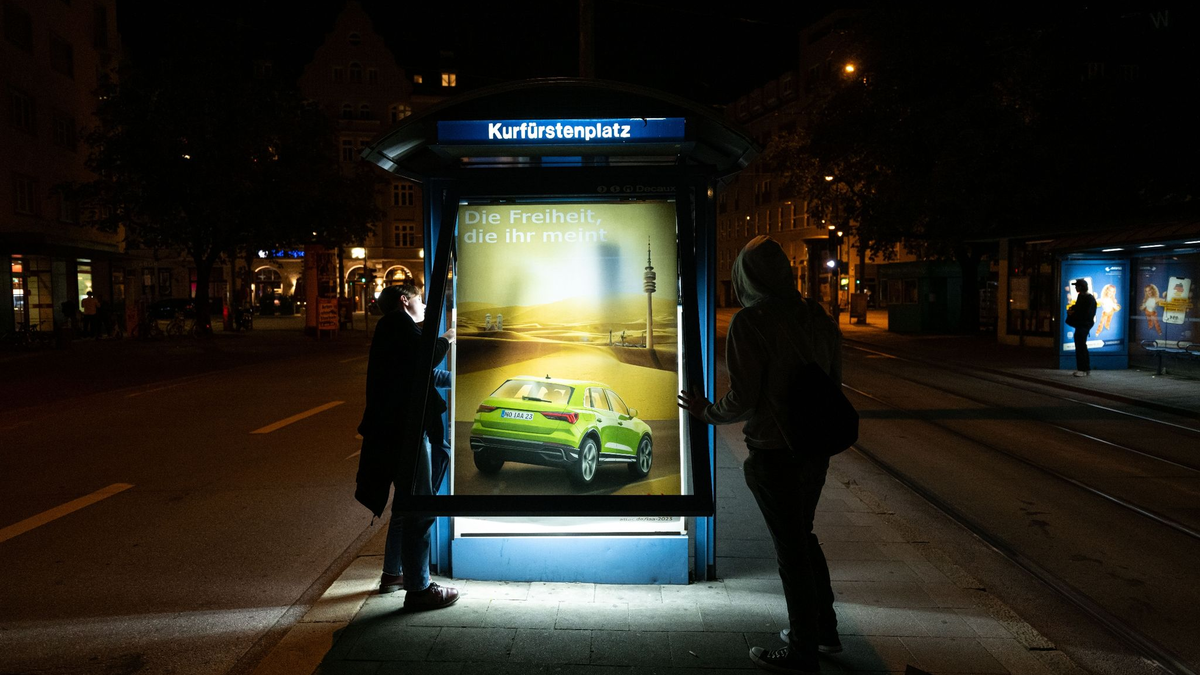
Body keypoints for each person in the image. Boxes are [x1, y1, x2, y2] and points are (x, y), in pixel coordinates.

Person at [679, 236, 841, 675]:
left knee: (790, 549)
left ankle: (803, 651)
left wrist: (706, 412)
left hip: (774, 452)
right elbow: (834, 385)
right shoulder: (818, 318)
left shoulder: (751, 323)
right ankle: (824, 630)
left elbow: (744, 398)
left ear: (745, 278)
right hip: (815, 449)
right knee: (803, 537)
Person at [355, 282, 459, 611]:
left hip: (397, 432)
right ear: (405, 301)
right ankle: (418, 588)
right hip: (409, 432)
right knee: (420, 508)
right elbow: (425, 357)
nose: (426, 306)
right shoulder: (398, 324)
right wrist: (450, 336)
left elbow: (422, 374)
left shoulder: (395, 331)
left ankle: (393, 573)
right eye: (420, 299)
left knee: (405, 506)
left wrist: (459, 377)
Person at [1066, 278, 1097, 376]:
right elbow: (1078, 308)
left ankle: (1082, 369)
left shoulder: (1089, 298)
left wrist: (1074, 314)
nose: (1075, 288)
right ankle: (1085, 369)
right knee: (1081, 346)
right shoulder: (1081, 297)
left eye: (1077, 286)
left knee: (1080, 347)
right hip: (1081, 324)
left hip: (1084, 325)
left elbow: (1087, 313)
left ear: (1081, 287)